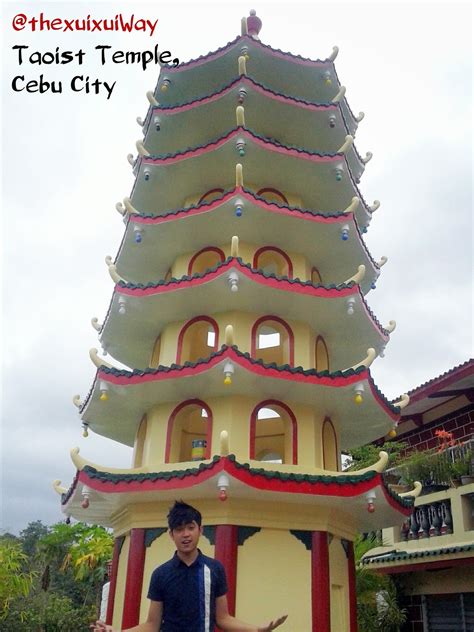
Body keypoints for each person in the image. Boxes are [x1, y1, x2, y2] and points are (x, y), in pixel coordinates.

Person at [92, 501, 287, 632]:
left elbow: (223, 618)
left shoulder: (214, 569)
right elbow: (152, 625)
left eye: (191, 528)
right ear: (171, 534)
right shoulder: (161, 574)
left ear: (200, 530)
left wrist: (257, 630)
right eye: (179, 529)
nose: (186, 534)